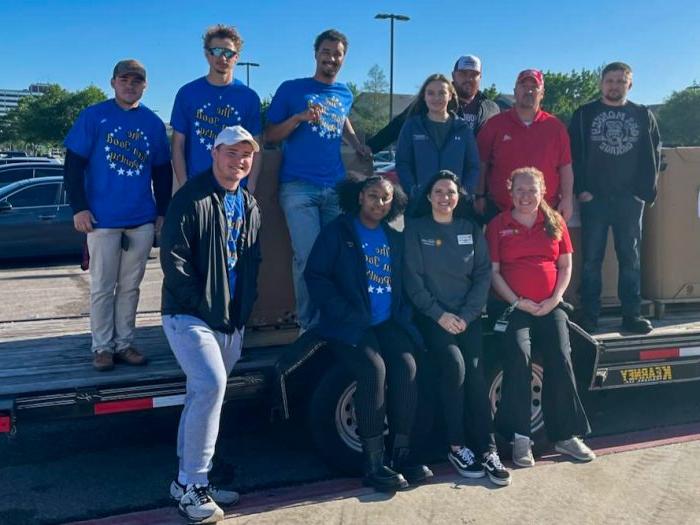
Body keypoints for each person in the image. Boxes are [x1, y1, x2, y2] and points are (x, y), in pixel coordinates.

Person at [304, 174, 432, 491]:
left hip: (387, 321)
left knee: (407, 368)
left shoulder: (394, 237)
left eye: (385, 198)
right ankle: (373, 463)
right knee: (373, 370)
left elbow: (403, 283)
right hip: (349, 324)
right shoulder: (338, 232)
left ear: (393, 203)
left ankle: (401, 456)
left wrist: (402, 313)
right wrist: (343, 312)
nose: (379, 202)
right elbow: (316, 276)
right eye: (373, 195)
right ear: (360, 197)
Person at [160, 126, 262, 523]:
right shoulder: (191, 198)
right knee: (210, 385)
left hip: (230, 319)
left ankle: (187, 480)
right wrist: (201, 306)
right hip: (189, 316)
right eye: (232, 153)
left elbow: (252, 261)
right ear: (214, 153)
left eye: (246, 155)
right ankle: (194, 484)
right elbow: (174, 260)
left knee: (203, 397)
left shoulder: (249, 204)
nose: (239, 161)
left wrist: (242, 311)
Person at [403, 170, 511, 486]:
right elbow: (413, 280)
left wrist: (466, 314)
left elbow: (481, 276)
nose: (444, 197)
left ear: (458, 196)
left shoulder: (470, 229)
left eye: (450, 192)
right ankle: (456, 446)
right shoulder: (416, 230)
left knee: (476, 378)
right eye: (438, 191)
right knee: (455, 367)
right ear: (428, 196)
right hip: (433, 318)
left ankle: (488, 450)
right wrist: (440, 315)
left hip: (468, 318)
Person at [63, 59, 172, 372]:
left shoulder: (152, 123)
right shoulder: (94, 116)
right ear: (113, 82)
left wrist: (162, 211)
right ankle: (102, 347)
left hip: (140, 218)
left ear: (145, 86)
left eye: (137, 81)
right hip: (101, 219)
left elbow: (162, 172)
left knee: (130, 287)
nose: (130, 85)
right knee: (102, 287)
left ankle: (125, 343)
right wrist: (78, 207)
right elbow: (73, 165)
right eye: (124, 79)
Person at [486, 167, 594, 468]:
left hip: (550, 305)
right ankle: (521, 438)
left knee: (561, 355)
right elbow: (493, 273)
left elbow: (565, 266)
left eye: (532, 189)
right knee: (519, 357)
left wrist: (554, 299)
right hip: (513, 307)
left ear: (543, 191)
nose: (525, 196)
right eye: (519, 189)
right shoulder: (498, 225)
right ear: (510, 191)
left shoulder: (555, 221)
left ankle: (566, 435)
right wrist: (518, 301)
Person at [265, 29, 371, 331]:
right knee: (308, 258)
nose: (332, 58)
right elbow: (270, 136)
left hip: (335, 188)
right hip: (298, 187)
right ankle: (308, 329)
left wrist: (355, 142)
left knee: (338, 258)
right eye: (326, 52)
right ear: (316, 54)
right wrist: (298, 119)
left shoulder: (345, 93)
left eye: (338, 54)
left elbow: (343, 118)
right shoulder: (291, 89)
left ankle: (333, 323)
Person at [569, 62, 661, 334]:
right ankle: (590, 315)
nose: (614, 85)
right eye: (610, 80)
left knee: (630, 259)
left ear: (629, 85)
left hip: (629, 201)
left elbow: (654, 154)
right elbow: (572, 153)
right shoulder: (585, 114)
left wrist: (644, 192)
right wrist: (581, 190)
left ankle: (632, 315)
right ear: (601, 83)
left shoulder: (642, 115)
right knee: (591, 260)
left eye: (620, 81)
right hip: (593, 198)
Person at [170, 24, 262, 191]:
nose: (223, 58)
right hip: (197, 186)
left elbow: (256, 146)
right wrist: (185, 185)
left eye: (228, 53)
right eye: (217, 51)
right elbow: (177, 145)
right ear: (207, 54)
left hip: (235, 187)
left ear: (237, 57)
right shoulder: (187, 93)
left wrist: (251, 186)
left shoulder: (249, 97)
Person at [476, 69, 574, 224]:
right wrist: (479, 195)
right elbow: (482, 162)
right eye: (523, 86)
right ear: (515, 91)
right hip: (501, 210)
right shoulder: (495, 124)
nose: (528, 90)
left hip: (545, 211)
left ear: (542, 93)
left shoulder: (556, 127)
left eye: (534, 87)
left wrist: (567, 199)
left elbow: (565, 167)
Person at [367, 55, 499, 153]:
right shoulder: (436, 100)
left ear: (480, 77)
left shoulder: (491, 108)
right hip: (440, 178)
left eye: (474, 74)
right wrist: (370, 147)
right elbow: (398, 125)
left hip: (476, 181)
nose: (468, 79)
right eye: (463, 73)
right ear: (453, 75)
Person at [395, 74, 480, 201]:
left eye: (442, 93)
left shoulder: (463, 128)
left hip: (454, 205)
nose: (436, 98)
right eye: (431, 93)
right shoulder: (412, 126)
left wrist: (463, 192)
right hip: (420, 205)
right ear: (424, 96)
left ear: (450, 95)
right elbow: (402, 163)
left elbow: (473, 166)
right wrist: (413, 190)